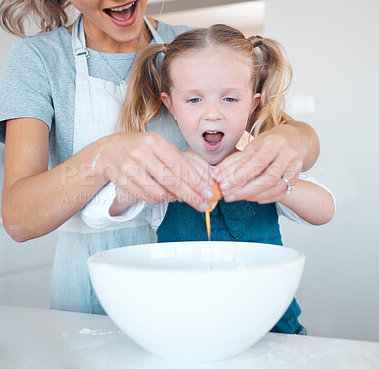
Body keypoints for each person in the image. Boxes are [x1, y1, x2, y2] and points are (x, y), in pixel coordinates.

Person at [0, 0, 321, 314]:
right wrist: (106, 156)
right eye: (193, 101)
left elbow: (297, 141)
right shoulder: (39, 59)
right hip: (91, 305)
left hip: (189, 307)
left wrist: (293, 138)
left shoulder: (191, 49)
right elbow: (19, 218)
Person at [81, 24, 336, 334]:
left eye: (230, 100)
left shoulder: (265, 166)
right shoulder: (167, 174)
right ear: (170, 106)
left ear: (252, 106)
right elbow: (97, 214)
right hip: (187, 333)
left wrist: (278, 183)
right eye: (194, 100)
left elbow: (325, 210)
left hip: (272, 335)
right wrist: (159, 178)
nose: (212, 114)